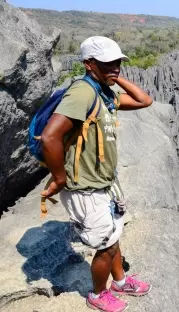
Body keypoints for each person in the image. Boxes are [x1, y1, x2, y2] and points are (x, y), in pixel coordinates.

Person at [40, 36, 153, 312]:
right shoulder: (83, 93)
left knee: (113, 235)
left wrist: (114, 78)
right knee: (106, 246)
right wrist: (59, 177)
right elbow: (49, 136)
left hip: (104, 182)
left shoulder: (103, 91)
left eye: (118, 63)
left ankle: (120, 281)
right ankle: (98, 294)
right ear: (89, 64)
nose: (114, 67)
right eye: (107, 63)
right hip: (84, 186)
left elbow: (144, 100)